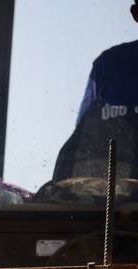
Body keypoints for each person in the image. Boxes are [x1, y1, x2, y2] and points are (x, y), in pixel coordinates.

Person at [52, 1, 138, 182]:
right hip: (115, 189)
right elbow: (84, 138)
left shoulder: (109, 63)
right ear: (135, 13)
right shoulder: (108, 64)